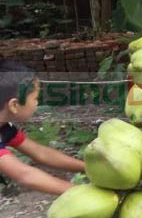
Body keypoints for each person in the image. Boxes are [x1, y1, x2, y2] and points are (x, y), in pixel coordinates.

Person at [0, 60, 85, 195]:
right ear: (14, 105)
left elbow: (41, 153)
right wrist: (87, 193)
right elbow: (25, 176)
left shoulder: (5, 127)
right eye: (35, 98)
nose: (37, 103)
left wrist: (87, 168)